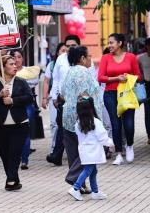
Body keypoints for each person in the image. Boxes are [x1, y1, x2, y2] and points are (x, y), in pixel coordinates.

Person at [0, 55, 33, 191]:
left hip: (19, 123)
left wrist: (13, 100)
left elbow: (29, 98)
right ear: (3, 67)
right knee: (5, 154)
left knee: (15, 153)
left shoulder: (21, 82)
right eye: (11, 64)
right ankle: (14, 179)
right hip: (0, 125)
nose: (15, 66)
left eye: (15, 64)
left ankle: (10, 180)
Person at [61, 46, 105, 192]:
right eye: (89, 56)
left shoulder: (69, 72)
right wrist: (90, 116)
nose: (91, 59)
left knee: (73, 150)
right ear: (82, 58)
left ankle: (81, 185)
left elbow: (62, 93)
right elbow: (84, 95)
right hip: (82, 116)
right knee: (88, 149)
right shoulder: (83, 72)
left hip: (68, 116)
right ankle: (74, 177)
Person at [98, 33, 141, 165]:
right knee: (115, 125)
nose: (109, 45)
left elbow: (139, 76)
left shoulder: (131, 57)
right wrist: (116, 78)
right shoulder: (105, 58)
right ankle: (118, 153)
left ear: (120, 43)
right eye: (109, 43)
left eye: (112, 43)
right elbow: (100, 77)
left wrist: (128, 77)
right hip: (110, 94)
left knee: (128, 125)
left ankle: (129, 145)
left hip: (127, 94)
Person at [68, 95, 114, 201]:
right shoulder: (95, 122)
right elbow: (102, 137)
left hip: (84, 151)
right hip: (93, 151)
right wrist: (111, 143)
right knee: (88, 170)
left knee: (93, 171)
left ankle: (95, 191)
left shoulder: (78, 123)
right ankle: (75, 188)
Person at [47, 35, 81, 166]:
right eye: (68, 46)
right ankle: (57, 155)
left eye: (73, 45)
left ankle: (77, 154)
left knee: (77, 127)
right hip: (63, 99)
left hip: (79, 100)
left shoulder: (83, 58)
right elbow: (55, 79)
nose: (70, 48)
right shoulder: (61, 59)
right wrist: (54, 96)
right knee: (61, 126)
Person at [9, 49, 40, 170]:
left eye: (19, 57)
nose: (17, 60)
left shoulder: (28, 71)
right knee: (14, 132)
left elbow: (34, 82)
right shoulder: (8, 71)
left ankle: (24, 160)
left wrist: (20, 81)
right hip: (12, 105)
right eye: (14, 57)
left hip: (27, 105)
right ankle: (15, 158)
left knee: (25, 131)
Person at [41, 42, 68, 154]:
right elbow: (47, 81)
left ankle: (64, 148)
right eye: (62, 50)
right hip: (54, 96)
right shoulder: (52, 65)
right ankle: (53, 148)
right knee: (54, 124)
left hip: (66, 97)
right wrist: (45, 97)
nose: (65, 52)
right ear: (57, 52)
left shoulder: (71, 63)